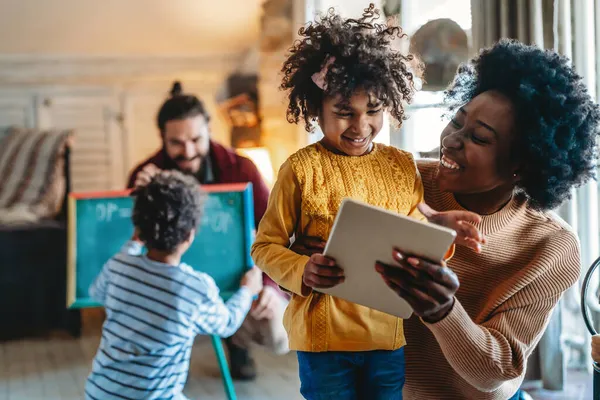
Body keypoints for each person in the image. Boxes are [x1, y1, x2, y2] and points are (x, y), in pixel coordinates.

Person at [293, 39, 600, 399]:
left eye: (479, 138)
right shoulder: (396, 180)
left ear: (522, 165)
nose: (452, 140)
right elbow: (317, 291)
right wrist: (304, 268)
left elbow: (495, 377)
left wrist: (442, 311)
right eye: (457, 120)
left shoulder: (550, 246)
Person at [251, 4, 484, 399]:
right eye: (344, 113)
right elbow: (264, 247)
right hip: (322, 338)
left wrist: (440, 230)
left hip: (386, 334)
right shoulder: (300, 170)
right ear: (316, 109)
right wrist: (302, 269)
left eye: (373, 111)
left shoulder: (400, 164)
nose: (360, 126)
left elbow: (412, 236)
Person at [127, 82, 289, 380]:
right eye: (176, 142)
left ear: (209, 130)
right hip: (171, 285)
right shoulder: (145, 172)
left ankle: (236, 341)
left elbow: (275, 231)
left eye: (195, 139)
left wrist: (271, 286)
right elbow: (127, 239)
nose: (187, 151)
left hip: (235, 281)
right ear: (162, 137)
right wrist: (137, 194)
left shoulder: (243, 169)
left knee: (279, 337)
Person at [85, 170, 263, 400]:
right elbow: (226, 324)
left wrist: (132, 242)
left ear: (138, 227)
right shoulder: (194, 288)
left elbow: (96, 292)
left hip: (100, 392)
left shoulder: (118, 266)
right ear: (189, 235)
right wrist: (247, 291)